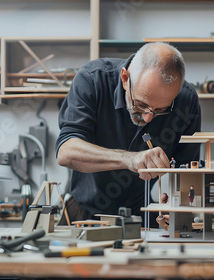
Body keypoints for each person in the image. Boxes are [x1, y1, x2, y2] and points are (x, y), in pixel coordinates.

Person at [56, 42, 201, 224]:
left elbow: (187, 171)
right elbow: (66, 152)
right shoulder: (92, 80)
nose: (148, 118)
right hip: (83, 213)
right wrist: (129, 159)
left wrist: (176, 202)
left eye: (161, 110)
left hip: (141, 215)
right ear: (125, 78)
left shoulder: (186, 101)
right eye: (140, 104)